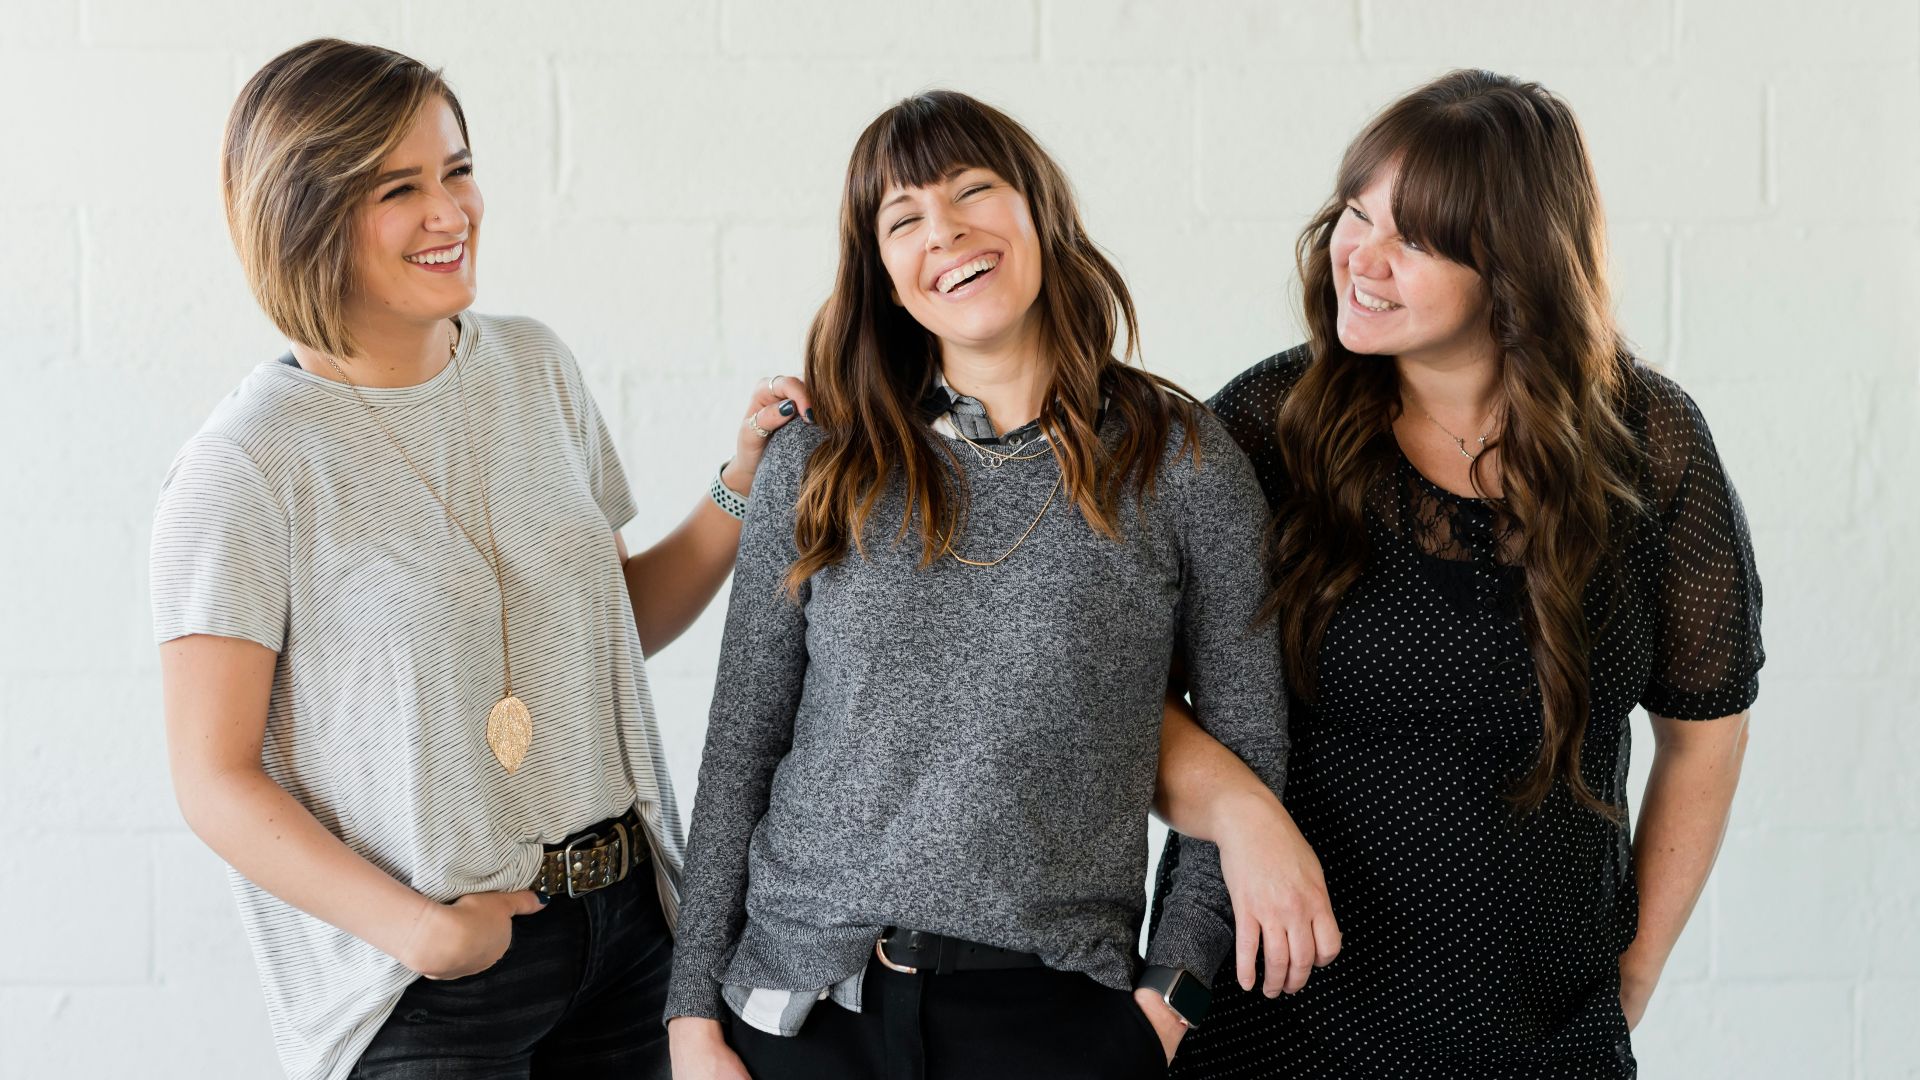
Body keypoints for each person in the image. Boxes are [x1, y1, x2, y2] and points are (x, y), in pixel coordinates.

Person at [150, 39, 809, 1080]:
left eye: (457, 170)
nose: (450, 211)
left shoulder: (535, 364)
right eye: (398, 189)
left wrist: (741, 485)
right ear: (305, 212)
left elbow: (604, 629)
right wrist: (420, 933)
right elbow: (213, 778)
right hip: (429, 984)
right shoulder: (245, 463)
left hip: (631, 931)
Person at [663, 90, 1299, 1080]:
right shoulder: (822, 458)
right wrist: (691, 1018)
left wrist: (1171, 999)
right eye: (904, 219)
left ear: (1039, 209)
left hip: (1052, 1023)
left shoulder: (1180, 461)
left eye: (973, 191)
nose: (946, 232)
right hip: (802, 1012)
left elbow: (1249, 735)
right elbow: (746, 733)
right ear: (884, 275)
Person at [1152, 69, 1763, 1078]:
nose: (1363, 257)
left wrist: (1635, 976)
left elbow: (1705, 734)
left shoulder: (1651, 445)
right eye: (1358, 215)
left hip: (1542, 1042)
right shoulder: (1267, 430)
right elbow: (1116, 684)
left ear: (1517, 268)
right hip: (1274, 1031)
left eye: (1418, 239)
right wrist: (1245, 816)